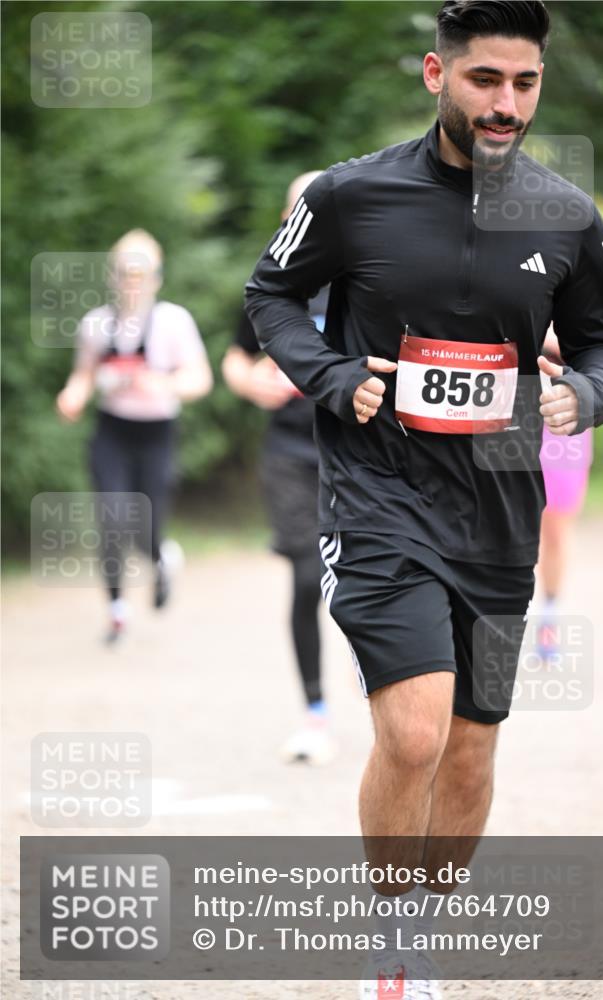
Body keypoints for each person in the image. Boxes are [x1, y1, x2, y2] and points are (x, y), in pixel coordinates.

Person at [245, 2, 603, 996]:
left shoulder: (567, 217)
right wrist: (330, 377)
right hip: (377, 496)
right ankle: (394, 937)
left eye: (523, 84)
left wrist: (579, 393)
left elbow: (602, 345)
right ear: (435, 75)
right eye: (483, 79)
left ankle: (426, 926)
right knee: (413, 730)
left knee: (468, 749)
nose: (504, 103)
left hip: (499, 508)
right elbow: (270, 295)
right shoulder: (349, 196)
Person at [222, 172, 336, 765]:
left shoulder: (364, 279)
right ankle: (314, 714)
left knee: (372, 585)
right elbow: (235, 361)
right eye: (299, 211)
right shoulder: (272, 282)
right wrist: (253, 382)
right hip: (290, 451)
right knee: (304, 577)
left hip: (358, 451)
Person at [56, 229, 213, 642]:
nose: (133, 281)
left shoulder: (173, 321)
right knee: (111, 519)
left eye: (142, 272)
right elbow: (84, 374)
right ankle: (117, 610)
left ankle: (162, 559)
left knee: (147, 529)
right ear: (112, 276)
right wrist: (73, 395)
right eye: (125, 272)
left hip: (157, 435)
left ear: (157, 277)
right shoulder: (95, 324)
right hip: (112, 433)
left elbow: (200, 378)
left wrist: (165, 385)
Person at [536, 328, 593, 661]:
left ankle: (549, 619)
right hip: (511, 408)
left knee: (555, 532)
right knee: (506, 525)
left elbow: (601, 347)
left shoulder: (585, 286)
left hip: (563, 418)